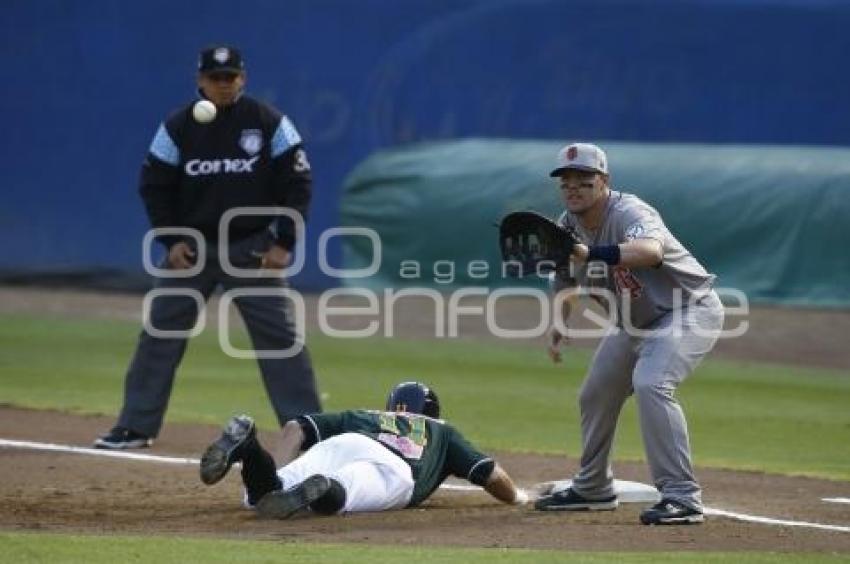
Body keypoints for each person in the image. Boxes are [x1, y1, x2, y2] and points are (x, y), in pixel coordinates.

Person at [94, 45, 321, 449]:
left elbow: (298, 181)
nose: (224, 85)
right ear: (200, 80)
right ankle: (135, 426)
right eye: (216, 78)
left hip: (252, 248)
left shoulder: (268, 121)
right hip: (192, 251)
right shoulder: (178, 126)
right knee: (159, 334)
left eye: (231, 77)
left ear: (243, 78)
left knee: (280, 342)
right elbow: (154, 185)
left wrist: (285, 241)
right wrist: (171, 239)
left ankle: (309, 431)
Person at [533, 143, 724, 525]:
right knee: (596, 393)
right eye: (566, 182)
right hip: (634, 325)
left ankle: (682, 498)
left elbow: (650, 252)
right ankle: (593, 488)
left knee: (652, 383)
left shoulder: (631, 211)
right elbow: (566, 279)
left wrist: (593, 254)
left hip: (686, 311)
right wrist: (559, 324)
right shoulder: (566, 226)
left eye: (584, 180)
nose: (573, 188)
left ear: (604, 182)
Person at [199, 382, 528, 518]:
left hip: (343, 442)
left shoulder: (364, 415)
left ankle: (251, 448)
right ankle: (325, 490)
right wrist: (518, 497)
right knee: (344, 492)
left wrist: (280, 472)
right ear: (433, 413)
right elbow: (490, 474)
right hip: (392, 469)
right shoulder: (441, 431)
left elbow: (294, 429)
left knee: (261, 497)